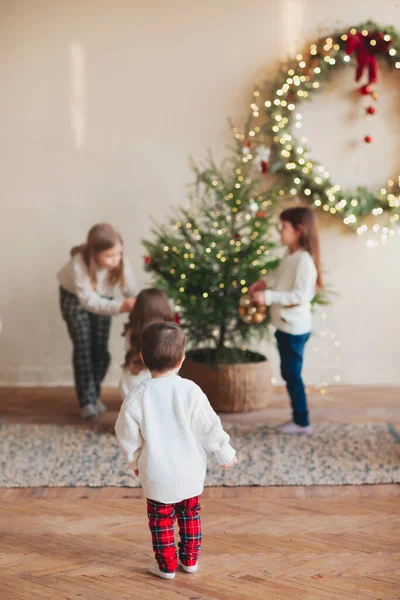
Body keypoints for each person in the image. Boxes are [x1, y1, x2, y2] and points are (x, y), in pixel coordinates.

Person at [115, 322, 237, 579]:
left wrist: (133, 461)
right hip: (190, 472)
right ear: (182, 359)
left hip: (157, 473)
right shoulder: (190, 391)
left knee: (160, 523)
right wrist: (223, 452)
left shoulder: (137, 397)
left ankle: (166, 565)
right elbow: (209, 426)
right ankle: (190, 560)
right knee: (190, 515)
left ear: (142, 358)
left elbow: (127, 436)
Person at [249, 206, 322, 434]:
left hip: (294, 329)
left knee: (291, 375)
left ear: (299, 230)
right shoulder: (290, 255)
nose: (280, 232)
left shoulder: (304, 261)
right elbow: (280, 276)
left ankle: (302, 421)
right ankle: (299, 418)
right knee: (289, 372)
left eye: (283, 227)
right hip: (284, 325)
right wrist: (264, 281)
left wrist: (268, 297)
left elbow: (301, 296)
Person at [58, 223, 137, 419]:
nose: (115, 260)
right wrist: (120, 306)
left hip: (105, 299)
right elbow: (89, 302)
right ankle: (87, 401)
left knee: (101, 351)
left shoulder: (119, 262)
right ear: (94, 254)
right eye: (109, 256)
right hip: (75, 299)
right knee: (83, 347)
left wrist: (138, 302)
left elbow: (131, 291)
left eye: (118, 254)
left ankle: (92, 394)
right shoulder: (79, 264)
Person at [120, 288, 174, 399]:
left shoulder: (132, 332)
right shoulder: (169, 333)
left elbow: (127, 349)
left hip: (130, 388)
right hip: (159, 389)